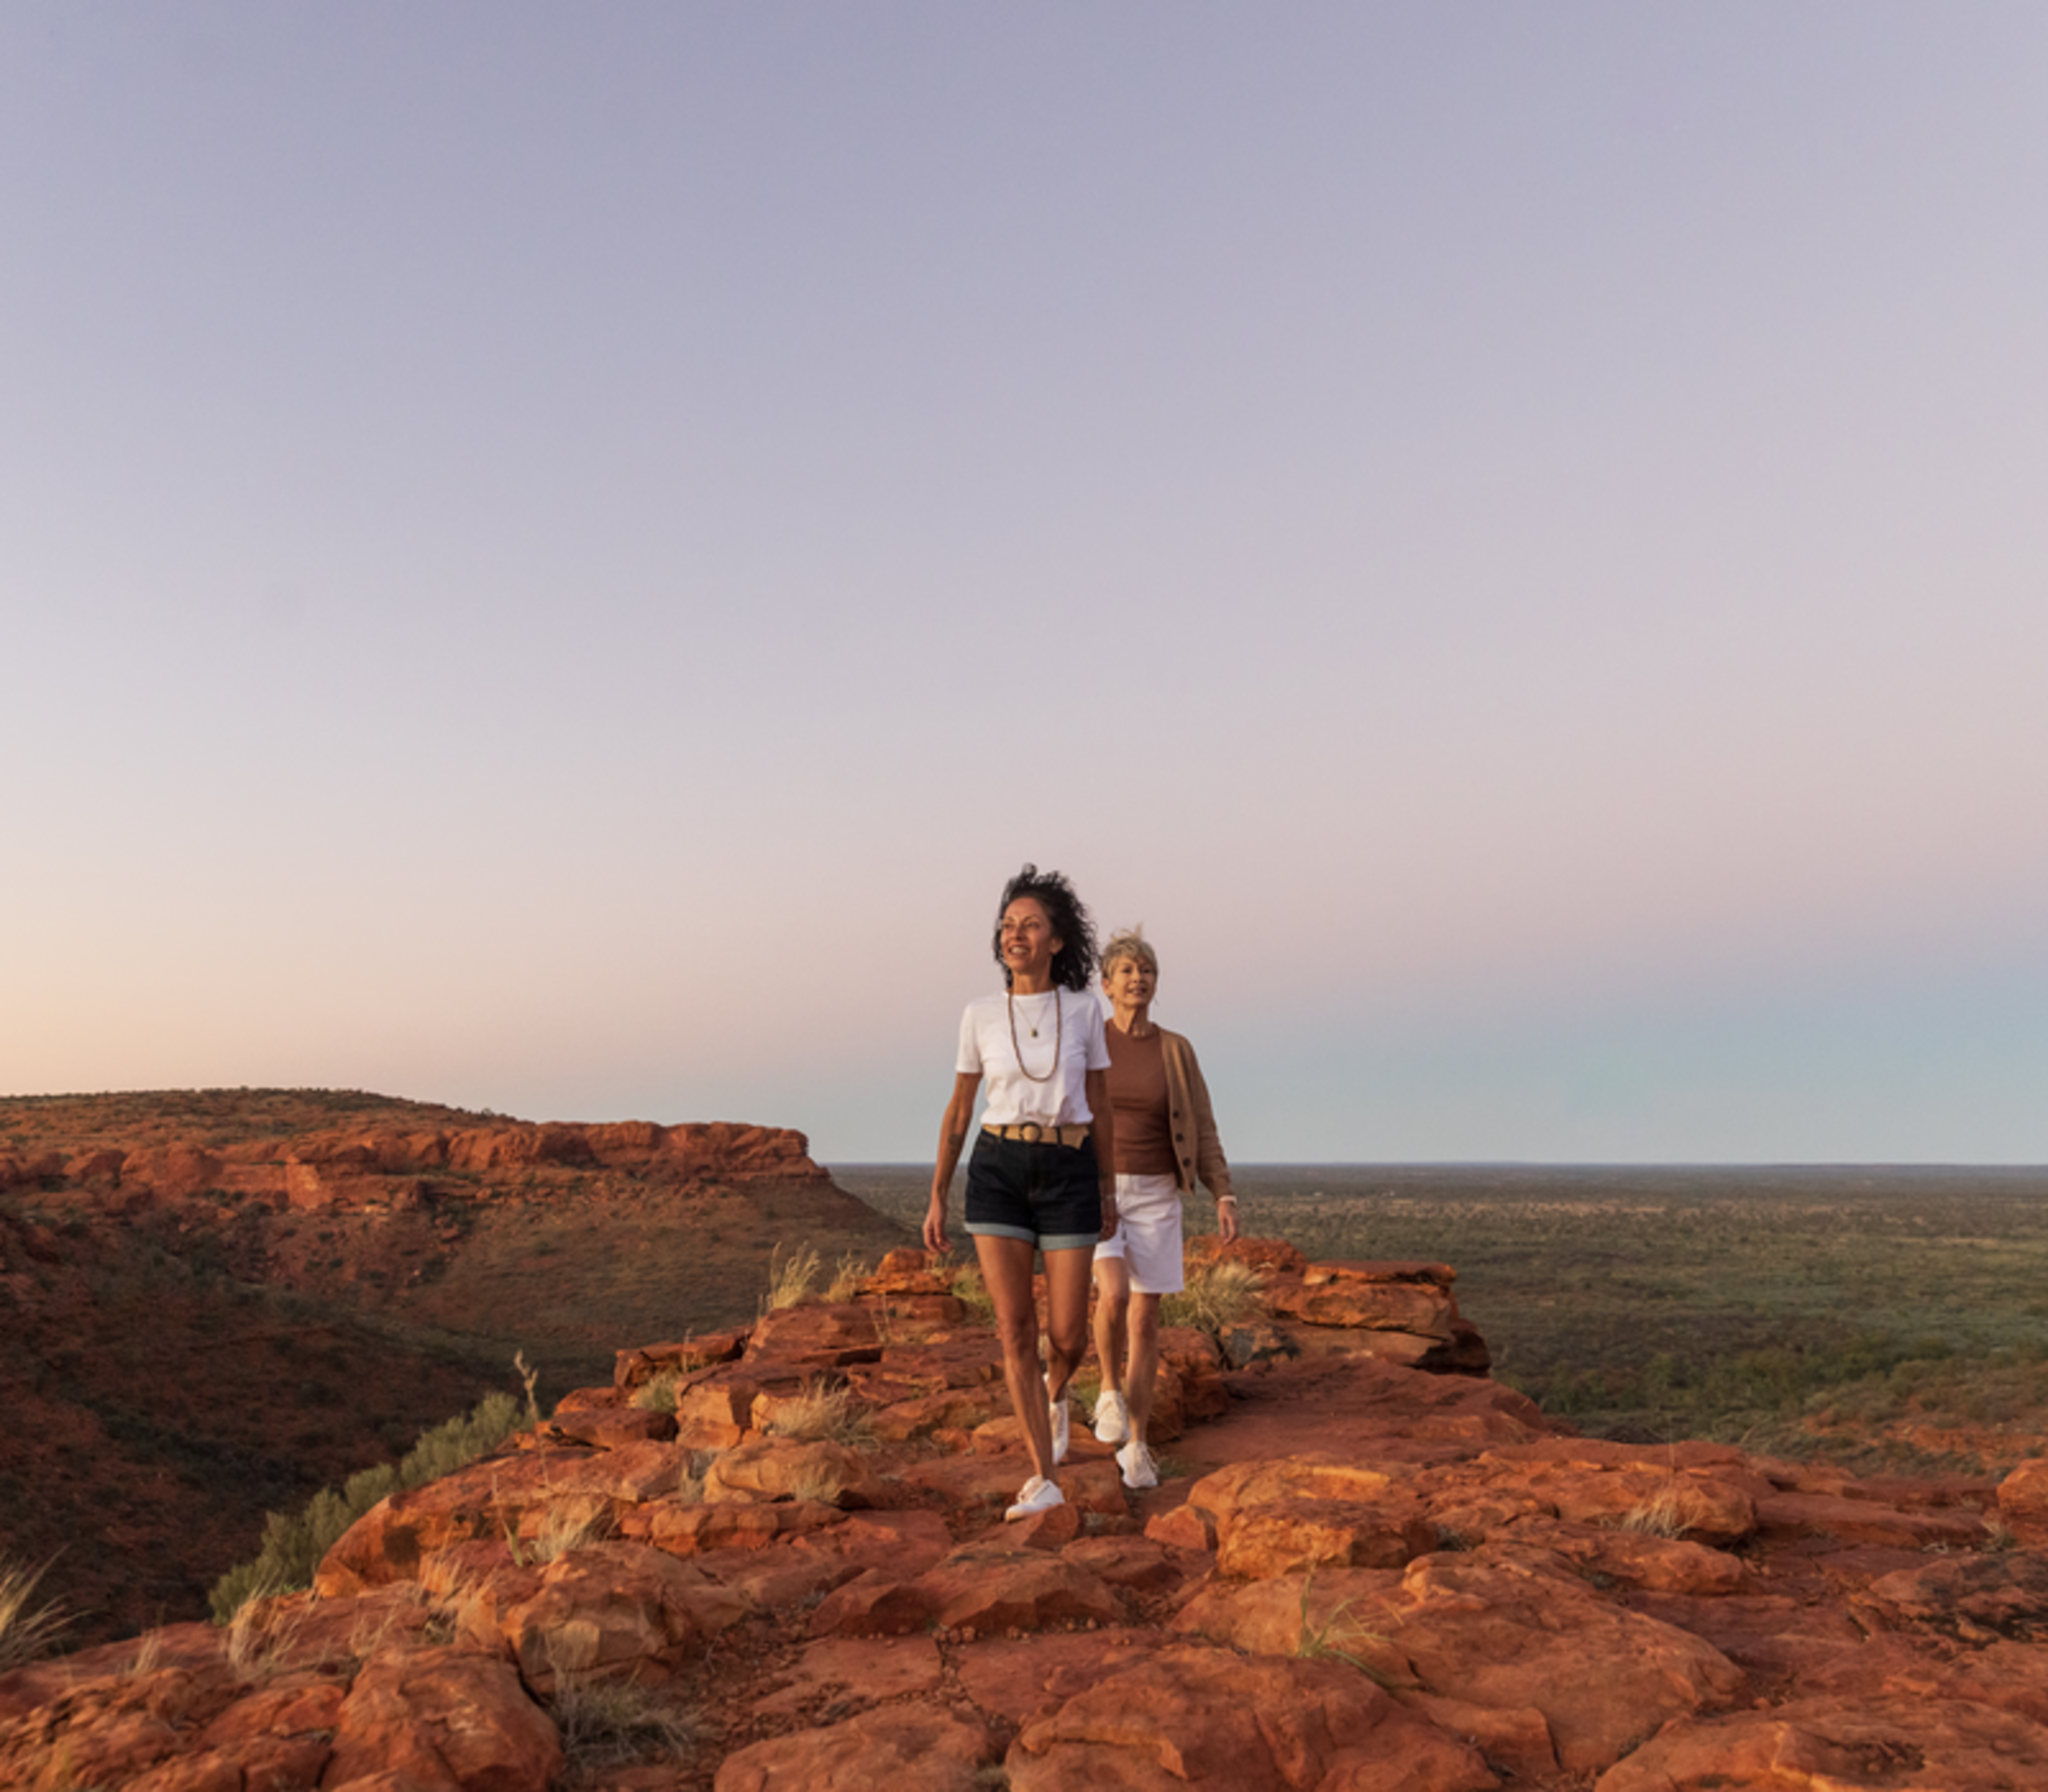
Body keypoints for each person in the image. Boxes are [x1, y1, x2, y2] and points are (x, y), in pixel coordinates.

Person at [924, 865, 1118, 1521]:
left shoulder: (1086, 1008)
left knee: (1068, 1337)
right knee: (1015, 1328)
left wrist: (1106, 1187)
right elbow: (958, 1109)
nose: (1016, 934)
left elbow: (1100, 1103)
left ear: (1057, 941)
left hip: (1069, 1170)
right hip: (998, 1168)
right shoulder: (979, 1013)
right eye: (1008, 924)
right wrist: (936, 1197)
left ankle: (1054, 1391)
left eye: (1030, 924)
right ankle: (1044, 1476)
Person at [1088, 926, 1239, 1490]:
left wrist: (1222, 1190)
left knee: (1147, 1319)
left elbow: (1202, 1124)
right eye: (1126, 970)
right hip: (1098, 1189)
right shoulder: (1091, 1042)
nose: (1138, 978)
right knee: (1115, 1293)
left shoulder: (1176, 1050)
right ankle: (1107, 1390)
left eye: (1146, 970)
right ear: (1107, 984)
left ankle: (1138, 1444)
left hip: (1156, 1192)